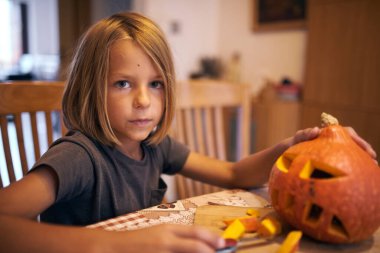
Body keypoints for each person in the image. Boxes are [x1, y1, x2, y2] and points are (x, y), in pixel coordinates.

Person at [0, 12, 377, 253]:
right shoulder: (78, 156)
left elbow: (233, 174)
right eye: (122, 84)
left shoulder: (154, 146)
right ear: (88, 88)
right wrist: (115, 245)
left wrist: (292, 147)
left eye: (157, 84)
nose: (144, 101)